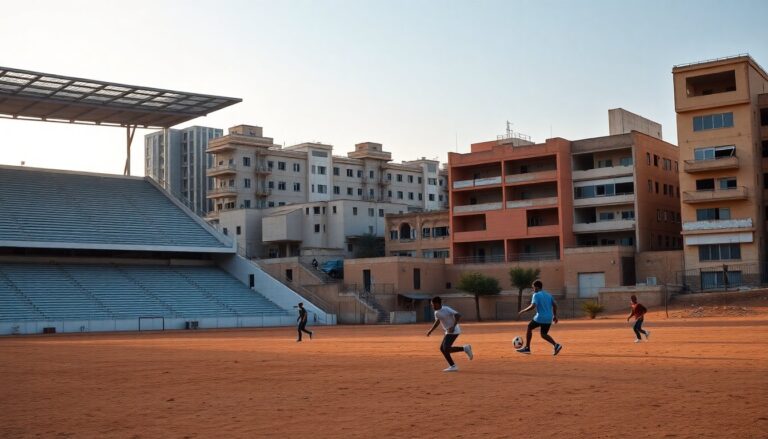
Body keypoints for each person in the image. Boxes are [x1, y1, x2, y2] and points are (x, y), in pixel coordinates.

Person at [426, 296, 473, 372]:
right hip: (448, 331)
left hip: (454, 330)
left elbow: (458, 315)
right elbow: (438, 321)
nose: (432, 306)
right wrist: (431, 330)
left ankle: (453, 366)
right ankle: (464, 348)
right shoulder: (436, 312)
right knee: (443, 349)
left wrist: (453, 326)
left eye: (433, 304)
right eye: (432, 305)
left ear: (438, 304)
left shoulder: (446, 309)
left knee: (445, 348)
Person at [517, 279, 563, 356]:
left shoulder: (536, 295)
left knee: (529, 327)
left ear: (537, 287)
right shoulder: (549, 295)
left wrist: (523, 310)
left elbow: (533, 306)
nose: (533, 289)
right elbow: (555, 305)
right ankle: (556, 345)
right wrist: (555, 316)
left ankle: (527, 348)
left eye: (533, 287)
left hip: (540, 317)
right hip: (549, 317)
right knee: (543, 334)